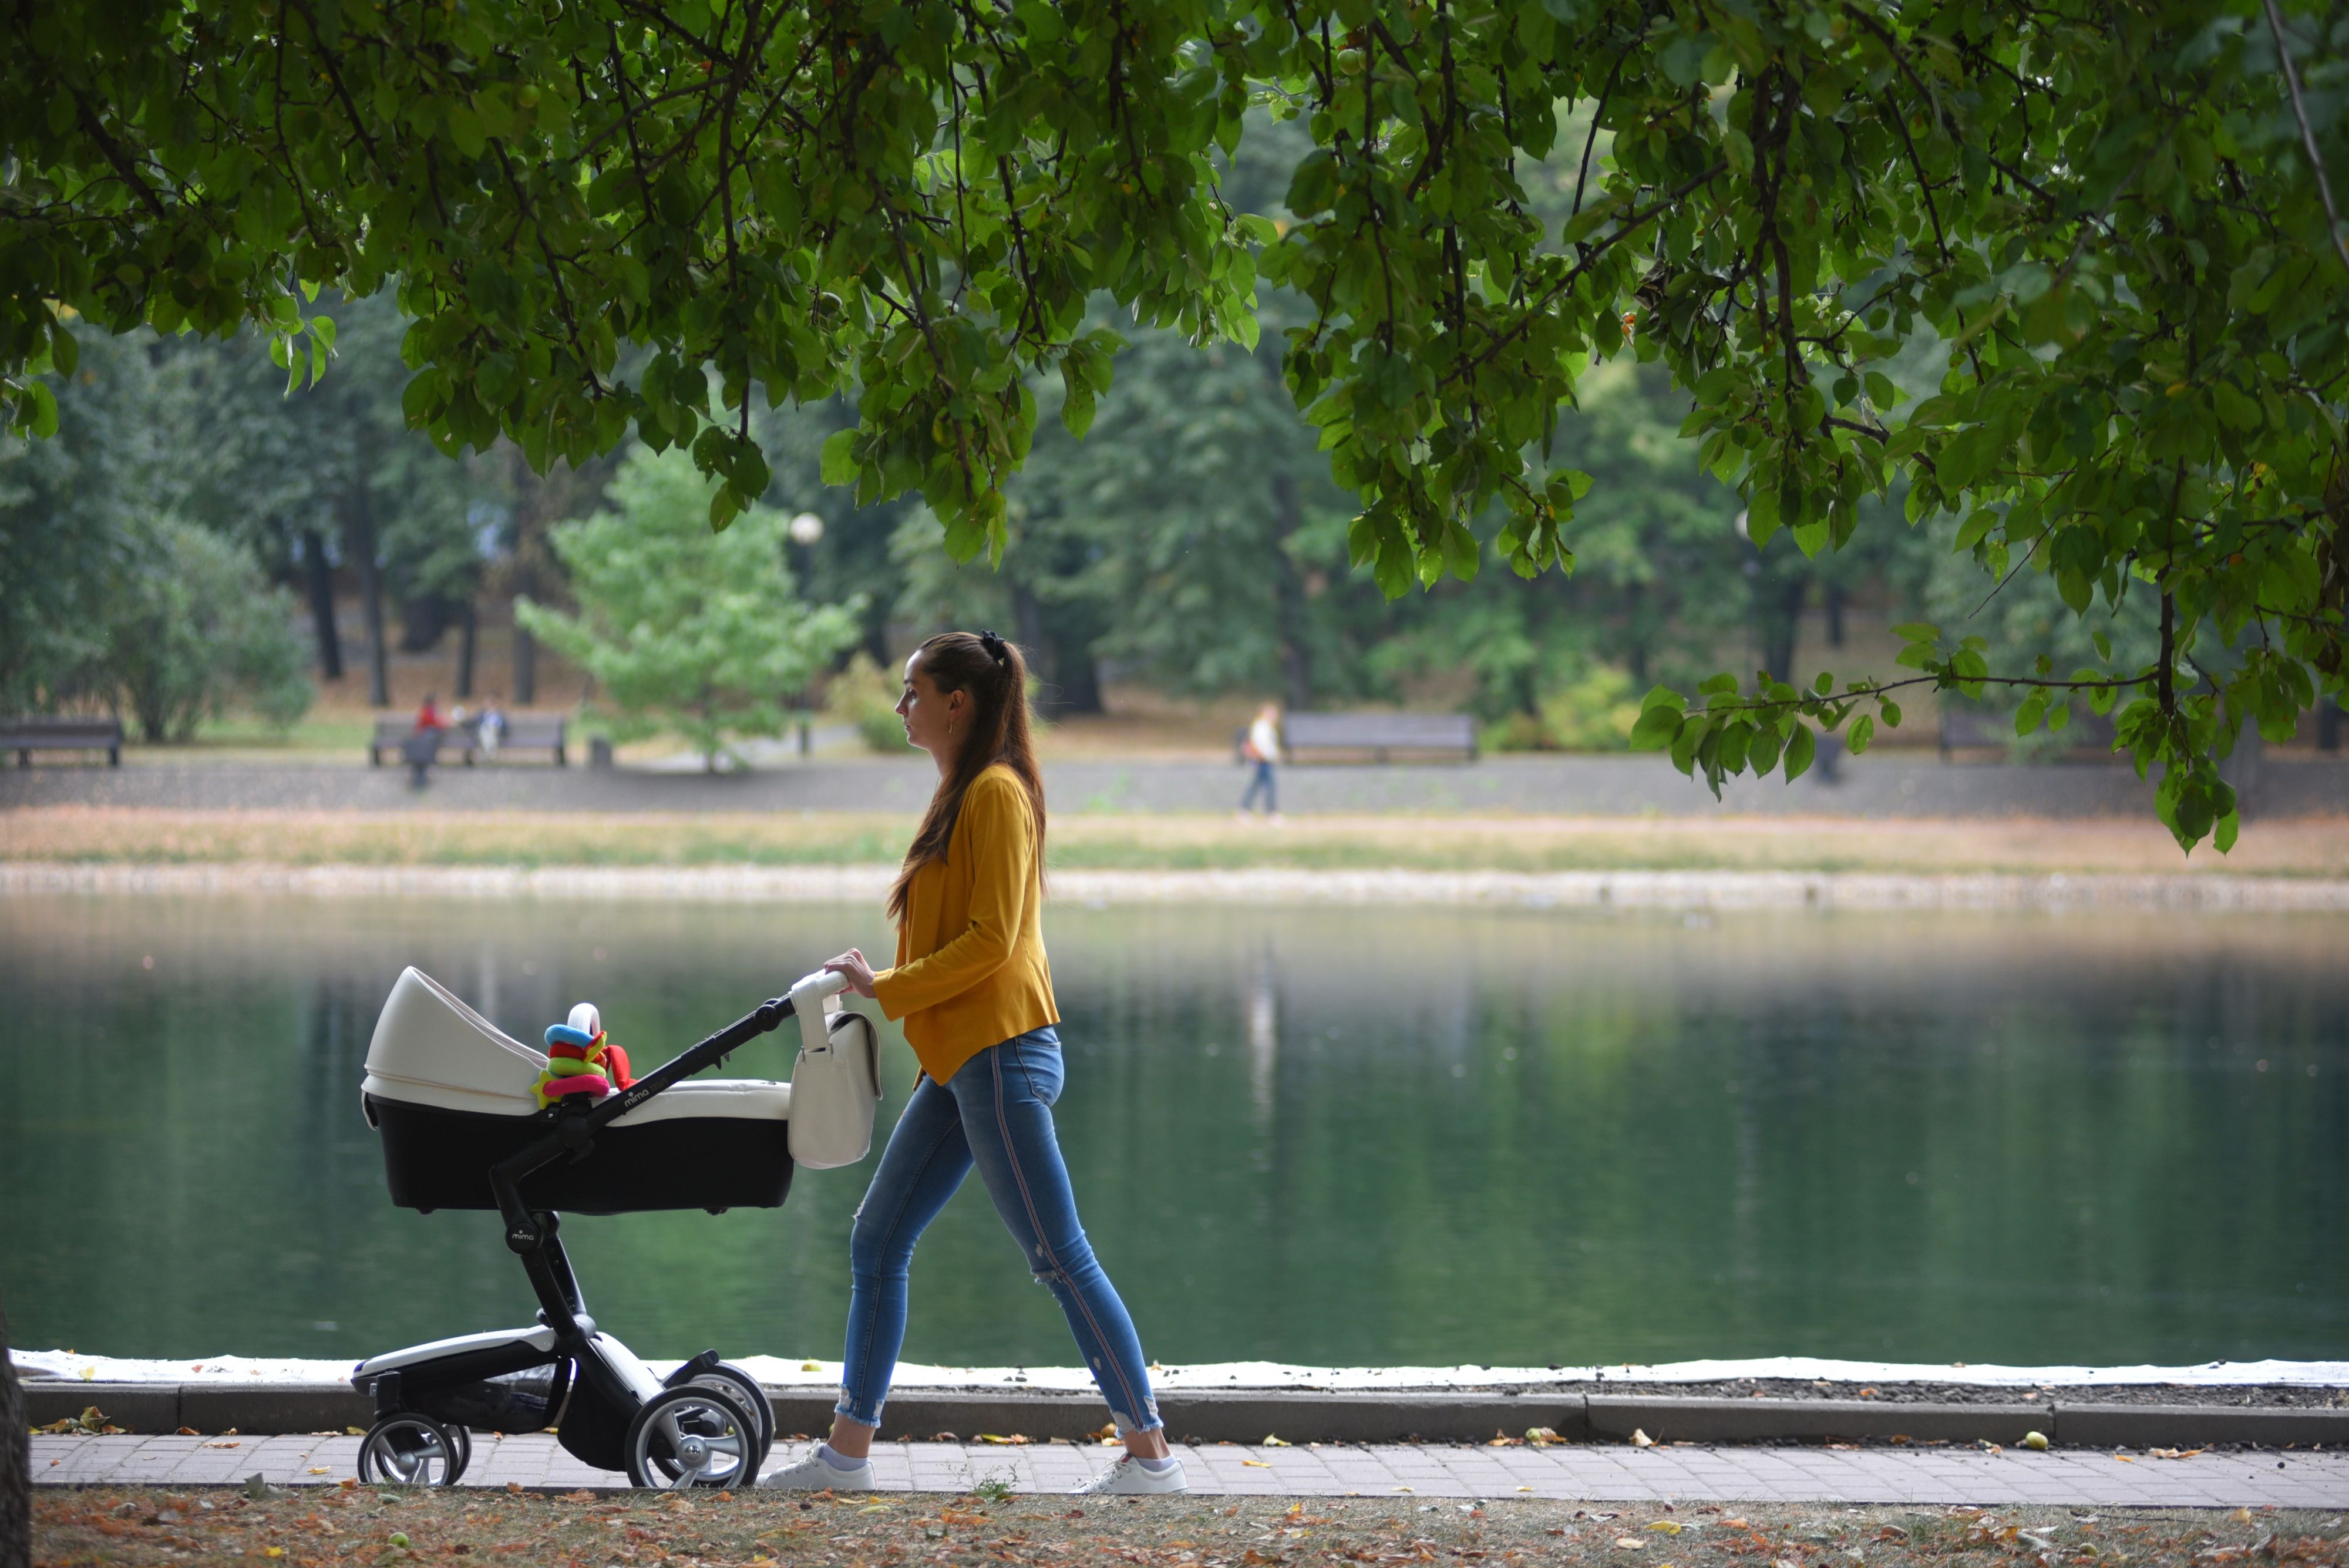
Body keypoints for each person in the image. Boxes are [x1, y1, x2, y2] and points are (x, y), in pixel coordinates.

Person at [761, 630, 1186, 1498]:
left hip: (999, 1056)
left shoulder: (995, 792)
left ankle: (1152, 1458)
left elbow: (993, 941)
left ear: (960, 700)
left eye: (913, 689)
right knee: (877, 1238)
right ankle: (846, 1455)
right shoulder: (964, 793)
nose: (902, 705)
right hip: (964, 1061)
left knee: (1058, 1254)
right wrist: (892, 989)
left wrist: (884, 985)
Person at [1238, 701, 1282, 820]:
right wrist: (1267, 755)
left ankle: (1245, 810)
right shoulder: (1262, 726)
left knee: (1257, 784)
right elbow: (1260, 744)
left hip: (1265, 760)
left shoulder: (1265, 726)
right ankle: (1271, 812)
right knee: (1269, 785)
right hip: (1263, 760)